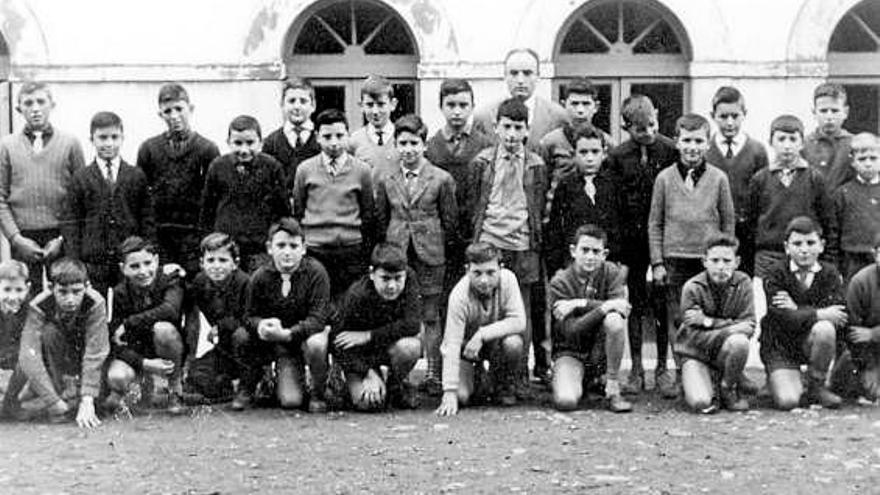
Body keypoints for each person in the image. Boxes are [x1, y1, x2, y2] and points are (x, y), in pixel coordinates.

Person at [648, 113, 736, 398]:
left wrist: (725, 259)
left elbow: (728, 222)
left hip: (708, 262)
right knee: (678, 319)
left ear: (708, 143)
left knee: (708, 316)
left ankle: (713, 372)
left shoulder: (719, 179)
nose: (692, 147)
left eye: (699, 141)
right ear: (676, 142)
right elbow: (655, 223)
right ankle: (679, 371)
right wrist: (658, 262)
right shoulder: (664, 179)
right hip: (674, 259)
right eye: (687, 140)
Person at [376, 114, 458, 396]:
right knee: (398, 314)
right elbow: (382, 218)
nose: (408, 149)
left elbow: (450, 223)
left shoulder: (441, 178)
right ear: (395, 145)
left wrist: (441, 252)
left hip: (430, 255)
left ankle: (435, 374)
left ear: (424, 145)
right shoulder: (386, 178)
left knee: (431, 315)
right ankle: (402, 377)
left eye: (414, 143)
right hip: (398, 254)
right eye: (403, 143)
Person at [468, 97, 546, 385]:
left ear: (527, 130)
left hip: (523, 245)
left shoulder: (536, 164)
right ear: (496, 128)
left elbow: (537, 204)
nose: (512, 134)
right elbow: (473, 203)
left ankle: (516, 376)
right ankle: (477, 371)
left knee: (520, 311)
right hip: (490, 241)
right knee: (482, 307)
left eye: (518, 127)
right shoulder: (482, 162)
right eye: (507, 127)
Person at [605, 94, 677, 395]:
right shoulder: (618, 157)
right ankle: (635, 367)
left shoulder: (670, 150)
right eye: (639, 129)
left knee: (662, 304)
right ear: (625, 128)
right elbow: (614, 205)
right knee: (634, 304)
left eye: (651, 125)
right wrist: (618, 250)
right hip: (632, 243)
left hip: (661, 241)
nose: (647, 132)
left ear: (657, 117)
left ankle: (662, 367)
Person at [235, 218, 330, 412]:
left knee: (317, 343)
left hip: (302, 338)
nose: (287, 252)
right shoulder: (260, 276)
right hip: (280, 346)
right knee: (290, 401)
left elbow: (318, 319)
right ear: (270, 248)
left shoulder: (316, 273)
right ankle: (250, 385)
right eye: (281, 245)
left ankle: (318, 393)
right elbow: (248, 316)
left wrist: (289, 333)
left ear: (303, 248)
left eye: (293, 246)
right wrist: (261, 325)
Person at [0, 81, 86, 292]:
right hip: (23, 237)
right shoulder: (7, 146)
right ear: (19, 108)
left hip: (61, 236)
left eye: (41, 101)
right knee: (26, 297)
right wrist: (16, 238)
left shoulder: (70, 143)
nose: (35, 108)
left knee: (65, 294)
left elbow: (81, 196)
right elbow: (0, 197)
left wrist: (63, 238)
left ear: (52, 105)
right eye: (28, 103)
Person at [63, 111, 155, 296]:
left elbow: (147, 219)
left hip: (128, 259)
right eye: (102, 138)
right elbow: (71, 223)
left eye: (114, 137)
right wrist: (75, 262)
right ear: (92, 139)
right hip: (93, 261)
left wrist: (145, 255)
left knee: (128, 307)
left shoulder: (136, 175)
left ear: (122, 138)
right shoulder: (80, 177)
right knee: (95, 307)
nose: (108, 143)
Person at [760, 216, 845, 410]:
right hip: (780, 346)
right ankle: (776, 379)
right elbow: (781, 317)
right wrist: (819, 313)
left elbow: (838, 315)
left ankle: (816, 385)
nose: (804, 249)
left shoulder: (830, 273)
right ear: (786, 247)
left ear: (821, 246)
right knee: (788, 401)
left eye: (810, 243)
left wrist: (797, 310)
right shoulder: (775, 273)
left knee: (825, 329)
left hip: (809, 342)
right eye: (797, 243)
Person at [292, 109, 377, 304]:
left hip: (350, 251)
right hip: (316, 251)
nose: (333, 142)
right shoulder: (305, 169)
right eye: (327, 136)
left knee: (348, 303)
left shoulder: (362, 170)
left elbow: (368, 212)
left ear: (348, 135)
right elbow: (299, 208)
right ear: (317, 137)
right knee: (317, 302)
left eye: (339, 135)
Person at [136, 83, 221, 276]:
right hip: (161, 235)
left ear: (190, 109)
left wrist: (206, 237)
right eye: (168, 111)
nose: (174, 116)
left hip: (194, 235)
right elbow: (142, 197)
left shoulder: (207, 149)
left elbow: (213, 200)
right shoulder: (149, 149)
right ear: (160, 115)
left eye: (179, 109)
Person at [548, 224, 632, 412]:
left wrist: (579, 303)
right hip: (571, 352)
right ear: (573, 251)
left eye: (596, 251)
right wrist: (604, 306)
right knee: (566, 401)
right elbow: (571, 331)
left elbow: (623, 308)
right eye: (584, 250)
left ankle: (612, 385)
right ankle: (579, 380)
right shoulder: (560, 282)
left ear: (604, 254)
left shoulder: (611, 272)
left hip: (600, 351)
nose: (590, 257)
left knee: (614, 321)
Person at [435, 242, 526, 416]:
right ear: (467, 269)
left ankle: (502, 385)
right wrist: (449, 391)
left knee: (514, 343)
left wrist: (483, 334)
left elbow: (519, 322)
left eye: (491, 272)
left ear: (501, 268)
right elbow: (451, 343)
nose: (484, 280)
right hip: (467, 349)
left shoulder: (509, 280)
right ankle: (476, 378)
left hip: (495, 344)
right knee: (461, 396)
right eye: (477, 273)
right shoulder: (459, 295)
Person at [17, 258, 108, 427]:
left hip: (83, 348)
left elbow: (96, 351)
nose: (70, 299)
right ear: (51, 288)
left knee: (103, 401)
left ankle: (79, 394)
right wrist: (52, 400)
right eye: (63, 292)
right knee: (49, 334)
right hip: (56, 350)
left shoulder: (96, 302)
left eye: (76, 291)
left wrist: (87, 399)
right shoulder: (39, 305)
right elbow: (29, 355)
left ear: (87, 287)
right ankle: (56, 394)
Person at [424, 78, 495, 296]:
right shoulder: (431, 146)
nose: (457, 112)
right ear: (441, 107)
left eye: (463, 105)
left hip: (474, 226)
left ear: (472, 107)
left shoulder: (485, 145)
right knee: (447, 287)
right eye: (451, 105)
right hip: (443, 230)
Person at [331, 243, 422, 411]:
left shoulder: (410, 278)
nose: (392, 286)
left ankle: (396, 386)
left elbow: (412, 324)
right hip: (359, 356)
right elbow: (338, 343)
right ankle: (346, 385)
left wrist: (369, 335)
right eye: (385, 278)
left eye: (398, 278)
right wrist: (368, 372)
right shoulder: (356, 295)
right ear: (372, 274)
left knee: (410, 346)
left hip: (385, 346)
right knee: (368, 403)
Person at [747, 115, 837, 280]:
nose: (787, 146)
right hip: (768, 256)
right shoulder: (760, 179)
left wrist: (828, 261)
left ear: (802, 143)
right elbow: (751, 222)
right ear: (771, 142)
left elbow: (828, 221)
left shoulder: (815, 178)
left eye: (793, 139)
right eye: (781, 139)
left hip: (805, 254)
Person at [104, 236, 186, 415]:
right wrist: (144, 363)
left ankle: (175, 388)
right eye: (134, 266)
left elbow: (170, 309)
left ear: (156, 261)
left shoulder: (169, 278)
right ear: (123, 269)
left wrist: (129, 323)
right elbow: (115, 340)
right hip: (140, 350)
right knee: (117, 377)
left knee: (162, 329)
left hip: (169, 346)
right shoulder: (119, 293)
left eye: (148, 263)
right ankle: (143, 384)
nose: (143, 271)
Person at [676, 234, 755, 413]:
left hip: (722, 350)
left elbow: (749, 325)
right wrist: (732, 326)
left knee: (740, 342)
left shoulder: (744, 283)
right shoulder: (692, 287)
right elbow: (693, 336)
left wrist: (707, 321)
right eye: (715, 260)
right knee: (701, 403)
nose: (721, 266)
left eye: (727, 261)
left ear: (737, 262)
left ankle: (727, 388)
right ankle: (704, 380)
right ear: (704, 261)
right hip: (695, 353)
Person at [199, 115, 288, 272]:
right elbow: (207, 210)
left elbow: (282, 210)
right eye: (238, 143)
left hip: (260, 248)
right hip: (226, 247)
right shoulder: (217, 166)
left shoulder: (272, 167)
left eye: (250, 143)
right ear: (228, 143)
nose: (244, 149)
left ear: (260, 142)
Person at [707, 86, 769, 275]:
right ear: (713, 116)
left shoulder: (757, 150)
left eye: (735, 116)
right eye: (723, 117)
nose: (730, 122)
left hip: (746, 231)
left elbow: (764, 193)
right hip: (714, 229)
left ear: (744, 114)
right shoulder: (706, 150)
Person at [182, 232, 249, 402]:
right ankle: (224, 383)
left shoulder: (245, 283)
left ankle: (249, 383)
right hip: (223, 345)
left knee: (241, 337)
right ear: (202, 263)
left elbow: (248, 318)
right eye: (211, 260)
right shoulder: (200, 282)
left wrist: (220, 327)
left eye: (223, 260)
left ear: (235, 263)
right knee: (197, 380)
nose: (216, 266)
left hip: (248, 343)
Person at [546, 126, 620, 276]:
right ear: (574, 154)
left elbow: (622, 227)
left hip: (607, 265)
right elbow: (555, 230)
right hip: (574, 265)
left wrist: (622, 263)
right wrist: (557, 268)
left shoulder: (614, 185)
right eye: (583, 152)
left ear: (604, 154)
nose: (590, 158)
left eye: (595, 152)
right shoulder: (566, 186)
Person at [474, 48, 568, 149]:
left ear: (538, 76)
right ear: (505, 76)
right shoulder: (484, 116)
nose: (520, 80)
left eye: (527, 73)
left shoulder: (558, 116)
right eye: (514, 73)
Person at [833, 132, 880, 280]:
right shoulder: (843, 193)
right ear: (853, 162)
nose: (867, 163)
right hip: (852, 259)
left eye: (873, 158)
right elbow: (834, 232)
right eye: (862, 159)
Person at [840, 232, 880, 403]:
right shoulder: (860, 282)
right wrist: (868, 367)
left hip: (873, 339)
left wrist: (873, 334)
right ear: (875, 253)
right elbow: (852, 332)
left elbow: (867, 334)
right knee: (867, 391)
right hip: (869, 353)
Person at [262, 77, 321, 190]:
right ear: (282, 105)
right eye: (291, 101)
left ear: (313, 105)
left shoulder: (322, 139)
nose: (297, 107)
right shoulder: (271, 142)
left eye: (303, 101)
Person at [802, 82, 853, 193]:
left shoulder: (854, 144)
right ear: (814, 113)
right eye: (823, 111)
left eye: (835, 111)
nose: (829, 116)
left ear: (845, 112)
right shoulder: (803, 145)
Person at [348, 74, 399, 180]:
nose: (375, 111)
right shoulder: (354, 141)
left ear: (393, 104)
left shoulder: (402, 138)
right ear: (361, 106)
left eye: (381, 104)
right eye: (370, 105)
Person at [0, 260, 31, 417]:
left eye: (19, 290)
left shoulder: (30, 310)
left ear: (28, 288)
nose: (13, 296)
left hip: (15, 356)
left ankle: (10, 402)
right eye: (7, 289)